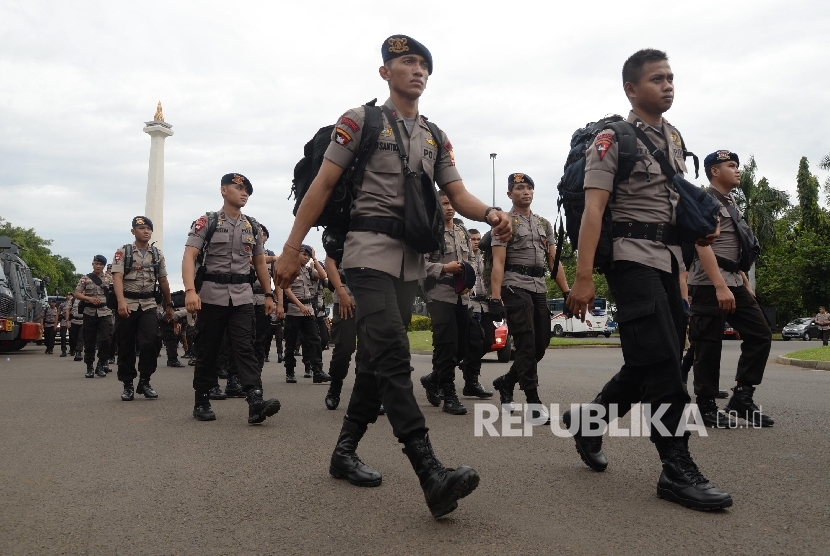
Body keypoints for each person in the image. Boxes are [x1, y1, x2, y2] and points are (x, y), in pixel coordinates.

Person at [274, 35, 512, 519]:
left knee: (376, 363)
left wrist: (489, 212)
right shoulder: (359, 121)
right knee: (396, 357)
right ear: (385, 72)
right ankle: (430, 472)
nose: (417, 70)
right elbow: (322, 186)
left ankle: (343, 452)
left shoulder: (433, 134)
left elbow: (458, 193)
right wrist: (292, 248)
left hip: (409, 264)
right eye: (406, 62)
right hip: (365, 253)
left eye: (423, 64)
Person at [565, 49, 732, 510]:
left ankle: (589, 422)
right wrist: (584, 279)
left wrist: (700, 226)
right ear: (631, 88)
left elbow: (674, 202)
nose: (668, 84)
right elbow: (594, 209)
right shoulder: (611, 138)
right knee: (663, 364)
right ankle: (676, 468)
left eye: (672, 77)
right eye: (657, 78)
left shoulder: (674, 138)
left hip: (666, 261)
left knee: (647, 363)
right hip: (628, 258)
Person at [182, 173, 280, 425]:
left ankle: (255, 401)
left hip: (243, 296)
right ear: (223, 190)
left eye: (247, 189)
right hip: (211, 294)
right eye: (238, 188)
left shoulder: (253, 226)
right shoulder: (207, 221)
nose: (244, 192)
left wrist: (268, 294)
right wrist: (190, 291)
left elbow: (259, 262)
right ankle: (202, 399)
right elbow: (190, 256)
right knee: (208, 348)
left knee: (245, 347)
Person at [688, 150, 774, 428]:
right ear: (715, 171)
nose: (738, 170)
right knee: (708, 345)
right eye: (731, 165)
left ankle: (742, 397)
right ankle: (706, 406)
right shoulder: (705, 200)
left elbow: (735, 247)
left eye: (737, 165)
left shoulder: (731, 202)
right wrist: (719, 286)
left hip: (734, 281)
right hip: (709, 284)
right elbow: (703, 245)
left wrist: (744, 281)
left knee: (760, 334)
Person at [490, 173, 569, 424]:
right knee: (525, 342)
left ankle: (506, 382)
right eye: (520, 188)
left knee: (541, 343)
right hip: (514, 286)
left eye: (529, 188)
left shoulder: (544, 224)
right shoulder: (504, 222)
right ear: (509, 194)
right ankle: (533, 402)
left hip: (539, 286)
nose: (526, 192)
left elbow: (553, 262)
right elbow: (499, 262)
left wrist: (567, 292)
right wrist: (494, 298)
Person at [419, 192, 475, 415]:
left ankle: (433, 378)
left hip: (462, 295)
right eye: (444, 203)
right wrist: (444, 268)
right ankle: (449, 394)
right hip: (440, 295)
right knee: (446, 346)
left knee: (463, 346)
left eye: (452, 203)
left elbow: (471, 260)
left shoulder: (462, 231)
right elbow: (419, 265)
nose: (449, 207)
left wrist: (470, 280)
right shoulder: (430, 232)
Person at [111, 216, 175, 401]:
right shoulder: (123, 252)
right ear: (133, 231)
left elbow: (163, 280)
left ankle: (145, 381)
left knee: (151, 342)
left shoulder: (157, 254)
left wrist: (169, 305)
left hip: (148, 304)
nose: (146, 231)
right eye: (141, 228)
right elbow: (117, 278)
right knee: (125, 345)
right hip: (128, 304)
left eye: (148, 228)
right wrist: (121, 302)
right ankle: (128, 384)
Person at [282, 245, 329, 383]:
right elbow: (287, 290)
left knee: (315, 341)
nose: (306, 257)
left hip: (309, 310)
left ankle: (317, 371)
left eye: (308, 255)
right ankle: (290, 371)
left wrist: (315, 258)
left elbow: (323, 275)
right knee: (291, 343)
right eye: (303, 254)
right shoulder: (290, 270)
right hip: (294, 311)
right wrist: (300, 306)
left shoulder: (309, 271)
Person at [460, 228, 494, 399]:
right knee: (474, 342)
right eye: (472, 239)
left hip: (485, 304)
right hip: (470, 304)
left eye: (478, 239)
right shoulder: (464, 258)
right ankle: (471, 383)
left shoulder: (485, 257)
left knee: (488, 341)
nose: (476, 242)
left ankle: (467, 364)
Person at [324, 257, 357, 410]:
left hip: (373, 297)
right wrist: (342, 293)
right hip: (346, 297)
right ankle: (335, 386)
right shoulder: (340, 235)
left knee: (371, 349)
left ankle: (369, 393)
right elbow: (330, 263)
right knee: (344, 347)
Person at [75, 255, 114, 378]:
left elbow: (115, 292)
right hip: (89, 312)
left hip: (105, 312)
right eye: (96, 264)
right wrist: (89, 299)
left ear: (103, 266)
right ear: (93, 264)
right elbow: (77, 293)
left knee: (106, 339)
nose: (98, 266)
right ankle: (89, 366)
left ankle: (101, 364)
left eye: (101, 264)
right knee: (89, 341)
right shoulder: (85, 279)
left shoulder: (109, 279)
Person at [67, 293, 84, 360]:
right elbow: (68, 310)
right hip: (73, 321)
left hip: (82, 321)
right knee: (73, 338)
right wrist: (67, 321)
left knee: (81, 337)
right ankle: (73, 349)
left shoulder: (85, 299)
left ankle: (78, 352)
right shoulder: (72, 300)